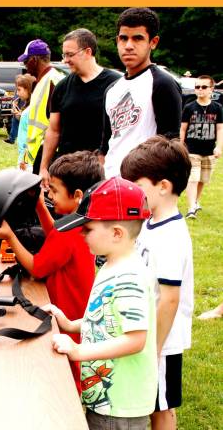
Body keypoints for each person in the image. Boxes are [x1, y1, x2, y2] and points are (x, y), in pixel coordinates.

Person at [0, 151, 104, 392]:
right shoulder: (79, 222)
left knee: (69, 380)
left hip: (67, 317)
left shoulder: (68, 233)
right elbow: (54, 235)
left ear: (78, 195)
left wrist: (9, 237)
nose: (50, 194)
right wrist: (40, 205)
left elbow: (37, 268)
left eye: (54, 191)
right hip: (77, 311)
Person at [46, 176, 157, 429]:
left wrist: (78, 352)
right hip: (106, 398)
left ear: (116, 233)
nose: (82, 233)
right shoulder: (111, 263)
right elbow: (106, 317)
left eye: (88, 228)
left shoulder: (130, 277)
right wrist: (70, 324)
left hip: (119, 406)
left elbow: (135, 340)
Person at [120, 135, 193, 430]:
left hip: (162, 339)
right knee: (151, 399)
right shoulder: (150, 222)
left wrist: (156, 348)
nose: (132, 193)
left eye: (137, 187)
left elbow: (170, 298)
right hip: (147, 332)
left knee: (161, 406)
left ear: (163, 187)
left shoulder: (171, 235)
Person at [100, 7, 182, 179]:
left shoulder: (162, 84)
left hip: (144, 183)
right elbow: (106, 144)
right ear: (117, 40)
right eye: (123, 38)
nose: (128, 46)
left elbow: (170, 145)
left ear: (153, 42)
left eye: (138, 38)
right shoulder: (112, 89)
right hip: (110, 182)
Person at [40, 28, 121, 186]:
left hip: (101, 172)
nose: (65, 60)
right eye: (64, 55)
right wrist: (44, 167)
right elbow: (54, 130)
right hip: (67, 171)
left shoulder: (116, 84)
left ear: (88, 52)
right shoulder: (62, 87)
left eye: (70, 54)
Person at [17, 39, 65, 174]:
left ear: (34, 59)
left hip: (49, 156)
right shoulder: (41, 81)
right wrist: (25, 157)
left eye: (26, 62)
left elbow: (57, 124)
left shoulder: (53, 81)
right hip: (36, 156)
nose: (25, 66)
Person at [179, 75, 223, 219]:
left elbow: (220, 129)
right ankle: (191, 208)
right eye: (197, 87)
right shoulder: (189, 107)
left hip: (209, 151)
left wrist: (219, 147)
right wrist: (181, 145)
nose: (200, 90)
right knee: (193, 177)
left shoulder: (217, 108)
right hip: (192, 150)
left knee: (202, 179)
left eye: (204, 87)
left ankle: (196, 201)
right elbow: (183, 128)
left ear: (212, 89)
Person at [15, 74, 35, 169]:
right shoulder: (30, 109)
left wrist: (23, 159)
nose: (17, 93)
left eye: (19, 90)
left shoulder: (30, 110)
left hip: (26, 155)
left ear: (28, 89)